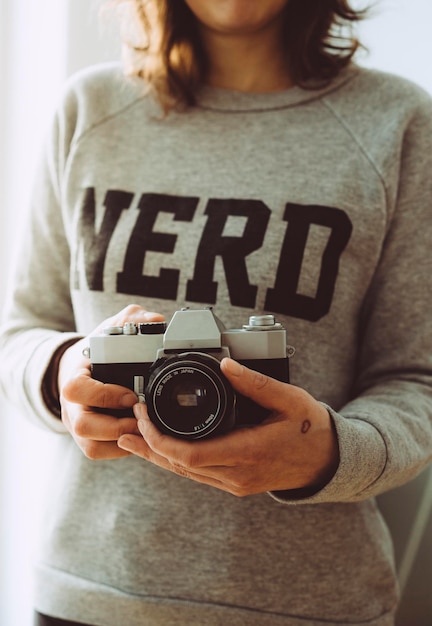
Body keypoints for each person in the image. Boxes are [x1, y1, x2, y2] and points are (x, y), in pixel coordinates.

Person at [0, 0, 431, 624]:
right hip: (92, 590)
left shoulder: (397, 122)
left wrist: (328, 451)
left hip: (310, 603)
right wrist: (63, 372)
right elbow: (20, 330)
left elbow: (417, 377)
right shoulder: (90, 110)